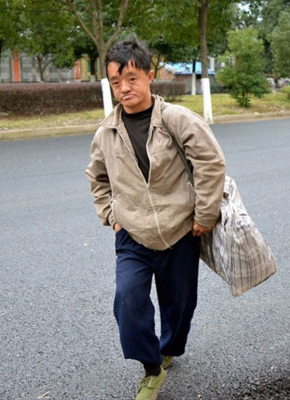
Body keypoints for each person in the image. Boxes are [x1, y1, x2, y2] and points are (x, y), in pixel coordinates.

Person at [85, 38, 225, 400]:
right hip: (131, 233)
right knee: (127, 299)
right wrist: (111, 216)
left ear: (149, 76)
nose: (124, 88)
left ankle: (168, 349)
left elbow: (210, 163)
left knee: (179, 306)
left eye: (131, 78)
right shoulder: (106, 133)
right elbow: (96, 178)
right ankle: (151, 369)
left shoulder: (176, 119)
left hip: (180, 230)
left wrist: (205, 215)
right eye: (116, 82)